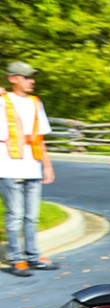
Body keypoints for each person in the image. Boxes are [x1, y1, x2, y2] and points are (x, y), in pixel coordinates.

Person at [1, 60, 57, 278]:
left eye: (32, 77)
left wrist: (47, 165)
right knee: (15, 215)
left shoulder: (35, 102)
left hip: (32, 166)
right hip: (8, 165)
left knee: (31, 216)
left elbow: (39, 137)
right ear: (13, 78)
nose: (31, 81)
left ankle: (33, 256)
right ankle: (17, 259)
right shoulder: (2, 101)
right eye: (26, 77)